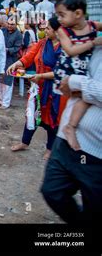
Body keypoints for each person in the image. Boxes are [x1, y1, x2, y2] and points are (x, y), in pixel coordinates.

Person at [40, 44, 102, 224]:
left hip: (97, 151)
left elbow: (72, 82)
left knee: (95, 206)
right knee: (52, 191)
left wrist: (77, 83)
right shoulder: (92, 43)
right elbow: (64, 80)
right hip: (66, 137)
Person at [8, 18, 67, 160]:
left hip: (57, 89)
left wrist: (40, 75)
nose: (44, 31)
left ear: (57, 31)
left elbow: (61, 72)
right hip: (39, 87)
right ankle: (24, 142)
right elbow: (28, 57)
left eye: (47, 28)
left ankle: (49, 149)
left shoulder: (66, 47)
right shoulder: (42, 43)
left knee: (53, 118)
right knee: (32, 114)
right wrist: (17, 63)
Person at [52, 0, 102, 150]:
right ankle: (69, 128)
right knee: (82, 96)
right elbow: (71, 50)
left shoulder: (93, 26)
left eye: (62, 15)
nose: (59, 19)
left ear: (78, 13)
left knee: (86, 97)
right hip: (68, 70)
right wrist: (93, 43)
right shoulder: (63, 31)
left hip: (85, 70)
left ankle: (71, 127)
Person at [0, 16, 22, 109]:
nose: (10, 26)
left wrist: (7, 50)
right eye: (8, 24)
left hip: (10, 60)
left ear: (16, 25)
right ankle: (1, 99)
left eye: (12, 24)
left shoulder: (18, 35)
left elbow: (17, 48)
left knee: (7, 81)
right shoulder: (3, 31)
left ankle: (6, 103)